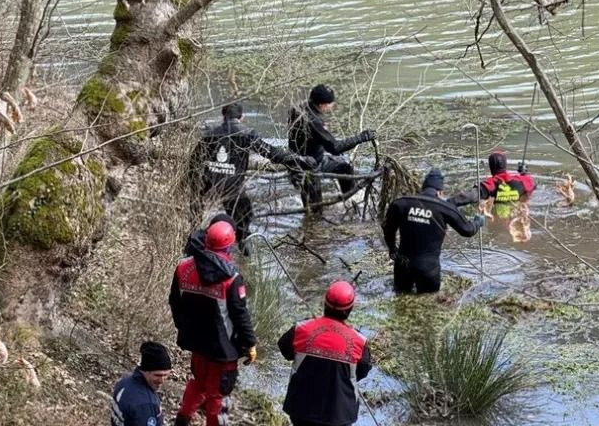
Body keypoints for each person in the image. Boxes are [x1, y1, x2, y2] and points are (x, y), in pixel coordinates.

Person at [278, 281, 372, 426]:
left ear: (325, 304)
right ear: (350, 310)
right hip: (338, 404)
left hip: (303, 402)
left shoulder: (301, 329)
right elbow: (362, 371)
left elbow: (285, 349)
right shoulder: (359, 341)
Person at [168, 220, 257, 426]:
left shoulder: (183, 267)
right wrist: (250, 344)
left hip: (196, 342)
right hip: (223, 349)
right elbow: (240, 316)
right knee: (218, 395)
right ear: (230, 247)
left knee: (198, 384)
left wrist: (183, 328)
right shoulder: (231, 278)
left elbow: (175, 303)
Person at [188, 101, 316, 248]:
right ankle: (242, 251)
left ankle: (193, 240)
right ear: (241, 117)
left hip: (207, 183)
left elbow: (194, 161)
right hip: (231, 186)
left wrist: (194, 188)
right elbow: (271, 153)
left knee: (195, 220)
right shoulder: (247, 134)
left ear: (223, 116)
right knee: (243, 220)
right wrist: (299, 160)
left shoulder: (209, 134)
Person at [382, 168, 486, 294]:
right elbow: (467, 231)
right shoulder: (446, 208)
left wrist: (393, 250)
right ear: (440, 192)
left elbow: (388, 229)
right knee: (429, 306)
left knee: (399, 300)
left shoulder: (401, 203)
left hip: (403, 265)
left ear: (423, 188)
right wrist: (478, 221)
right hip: (428, 268)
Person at [288, 84, 375, 212]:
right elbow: (335, 148)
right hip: (306, 168)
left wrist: (321, 129)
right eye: (330, 103)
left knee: (344, 167)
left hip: (316, 158)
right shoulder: (313, 121)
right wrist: (361, 138)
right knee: (314, 211)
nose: (333, 105)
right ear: (322, 105)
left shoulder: (300, 108)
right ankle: (313, 227)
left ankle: (351, 202)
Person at [450, 150, 536, 214]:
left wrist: (445, 203)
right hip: (516, 220)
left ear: (491, 167)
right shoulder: (523, 180)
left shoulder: (490, 184)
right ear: (505, 164)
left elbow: (469, 197)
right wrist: (524, 172)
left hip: (497, 218)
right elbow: (533, 184)